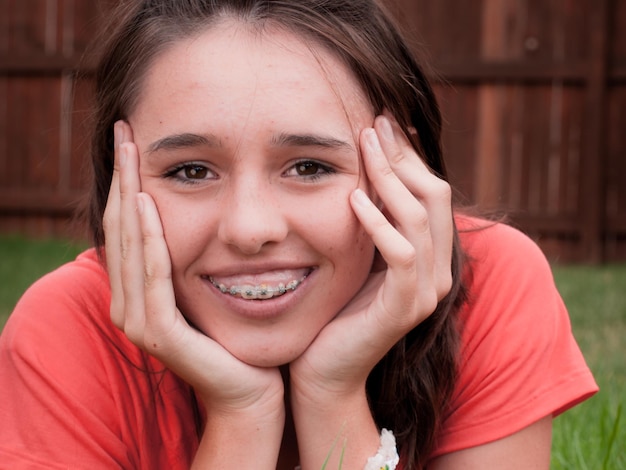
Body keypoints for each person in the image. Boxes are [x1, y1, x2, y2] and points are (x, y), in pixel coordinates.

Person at [0, 1, 597, 468]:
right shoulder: (66, 330)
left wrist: (332, 395)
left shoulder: (491, 289)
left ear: (401, 168)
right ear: (119, 186)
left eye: (309, 167)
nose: (250, 228)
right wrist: (242, 416)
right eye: (191, 171)